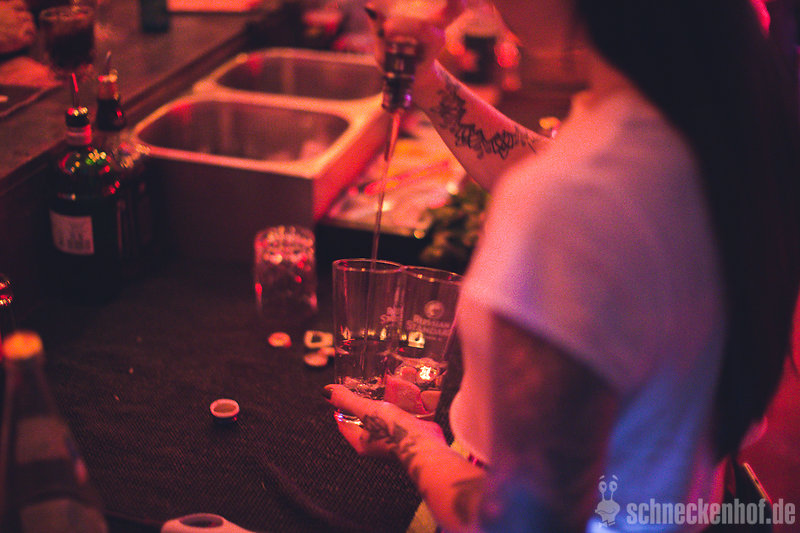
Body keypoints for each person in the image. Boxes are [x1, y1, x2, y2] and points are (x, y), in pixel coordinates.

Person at [324, 1, 800, 531]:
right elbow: (562, 172)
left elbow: (521, 522)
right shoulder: (723, 111)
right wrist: (430, 85)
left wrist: (412, 439)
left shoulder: (568, 200)